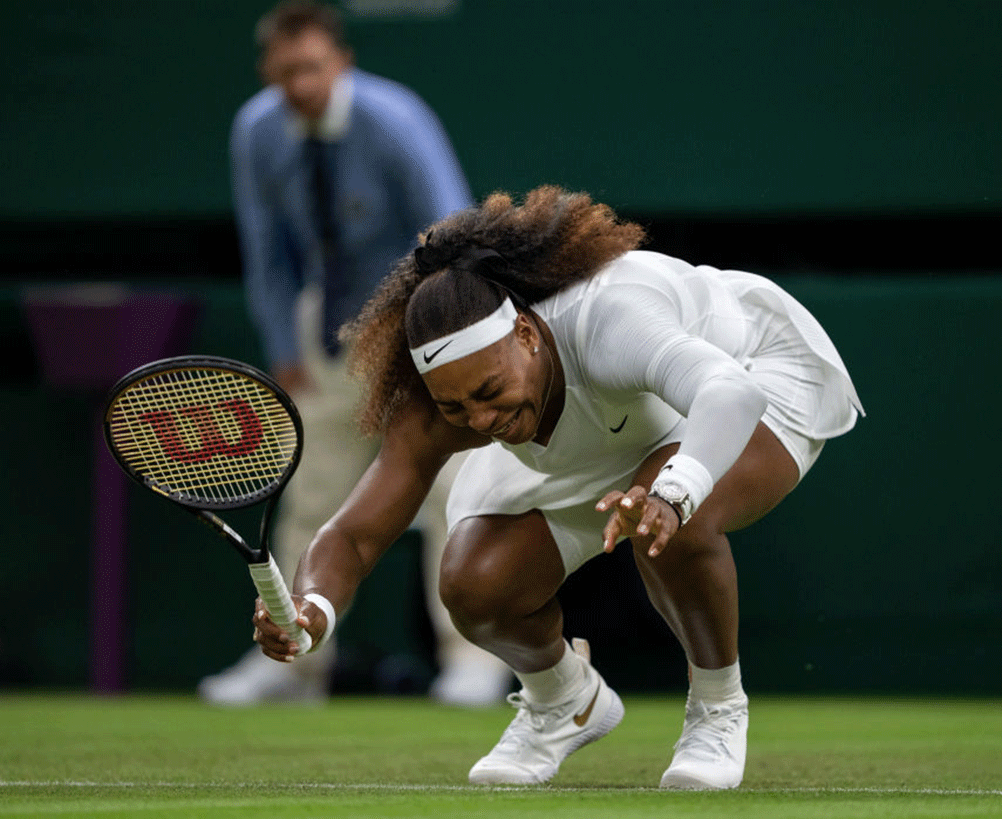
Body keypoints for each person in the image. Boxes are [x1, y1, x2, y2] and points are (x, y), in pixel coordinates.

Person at [251, 186, 865, 788]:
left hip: (753, 371)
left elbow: (727, 392)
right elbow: (355, 535)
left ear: (524, 334)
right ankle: (564, 701)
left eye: (489, 393)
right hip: (594, 434)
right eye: (458, 407)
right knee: (472, 583)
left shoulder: (611, 319)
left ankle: (717, 709)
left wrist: (672, 492)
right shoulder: (441, 403)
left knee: (683, 514)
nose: (481, 420)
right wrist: (312, 610)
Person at [199, 0, 513, 707]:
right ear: (267, 74)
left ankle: (473, 661)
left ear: (340, 63)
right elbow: (267, 252)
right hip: (329, 332)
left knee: (450, 494)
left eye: (312, 68)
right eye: (285, 73)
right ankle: (293, 661)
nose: (300, 84)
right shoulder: (256, 131)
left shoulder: (394, 119)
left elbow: (450, 229)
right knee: (309, 496)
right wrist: (284, 343)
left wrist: (436, 342)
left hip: (417, 327)